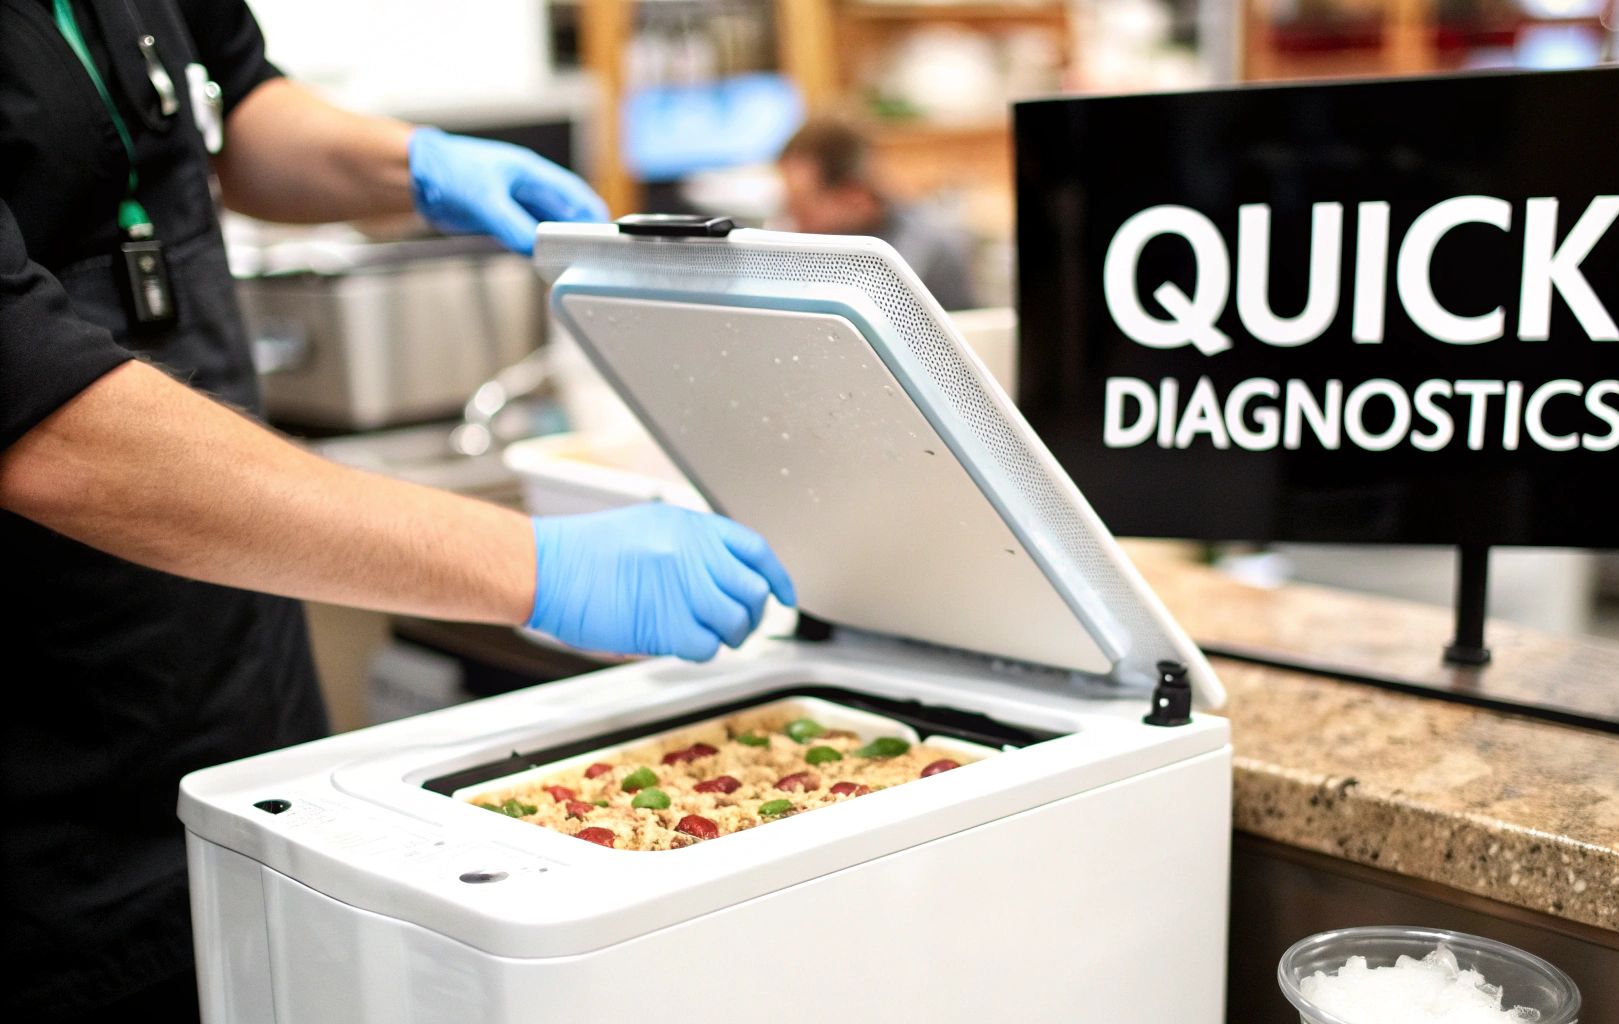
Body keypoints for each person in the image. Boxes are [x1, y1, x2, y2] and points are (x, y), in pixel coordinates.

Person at [0, 1, 795, 1020]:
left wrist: (411, 164)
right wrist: (531, 565)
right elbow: (42, 421)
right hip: (43, 776)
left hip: (228, 668)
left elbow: (232, 104)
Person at [776, 117, 980, 311]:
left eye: (801, 205)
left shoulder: (917, 256)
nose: (791, 216)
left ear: (853, 195)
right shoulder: (830, 242)